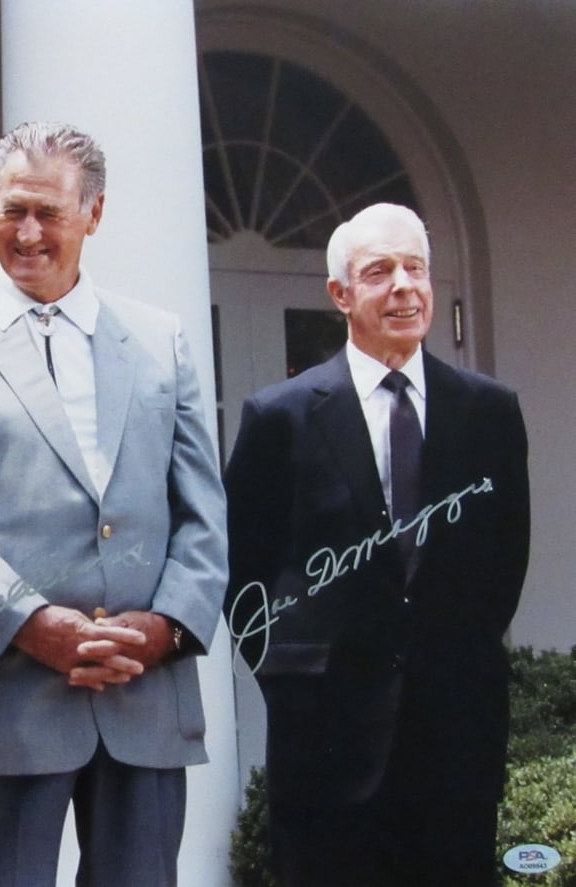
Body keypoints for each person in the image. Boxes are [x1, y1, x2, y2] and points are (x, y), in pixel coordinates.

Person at [0, 121, 228, 887]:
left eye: (50, 213)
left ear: (94, 214)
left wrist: (166, 627)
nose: (28, 233)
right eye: (13, 210)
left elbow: (203, 515)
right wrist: (33, 627)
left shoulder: (161, 340)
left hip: (143, 698)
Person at [224, 202, 530, 886]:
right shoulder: (282, 418)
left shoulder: (489, 412)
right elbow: (242, 578)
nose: (403, 286)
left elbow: (504, 563)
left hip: (456, 739)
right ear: (341, 294)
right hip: (323, 747)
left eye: (416, 268)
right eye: (379, 271)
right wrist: (296, 676)